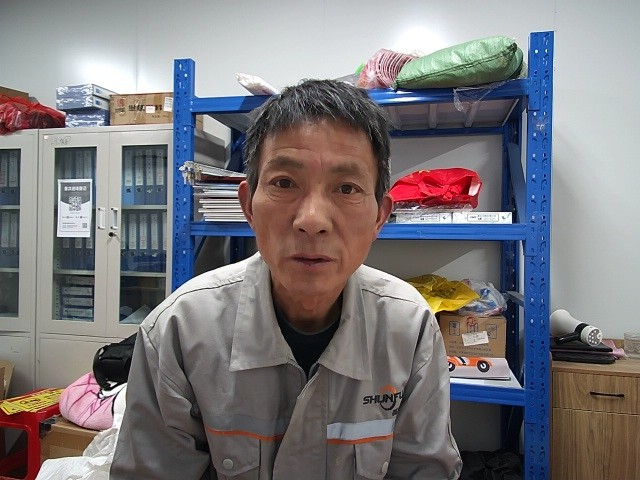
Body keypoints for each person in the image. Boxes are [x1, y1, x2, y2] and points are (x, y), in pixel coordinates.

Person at [110, 79, 462, 479]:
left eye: (347, 188)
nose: (312, 220)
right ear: (248, 205)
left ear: (379, 216)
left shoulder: (408, 326)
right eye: (284, 183)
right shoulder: (180, 330)